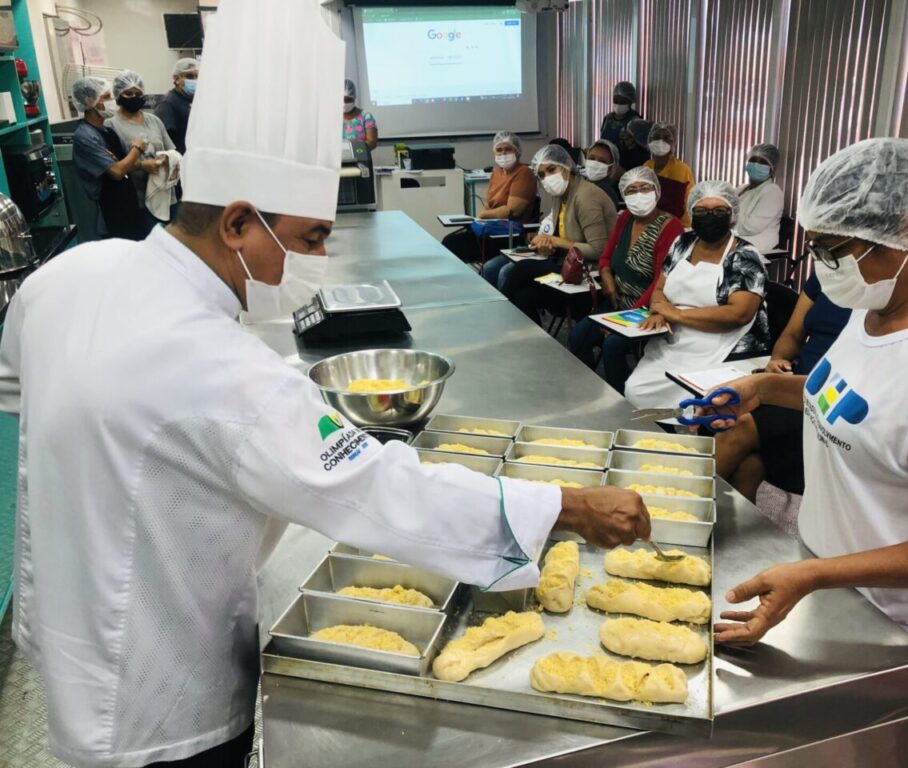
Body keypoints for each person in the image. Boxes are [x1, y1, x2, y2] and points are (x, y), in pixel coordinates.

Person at [0, 1, 650, 766]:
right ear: (238, 222)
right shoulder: (224, 371)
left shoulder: (67, 277)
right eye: (308, 240)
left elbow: (21, 396)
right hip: (167, 700)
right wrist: (566, 505)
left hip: (66, 649)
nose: (313, 263)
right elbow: (378, 491)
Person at [704, 138, 908, 768]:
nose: (822, 265)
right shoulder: (875, 304)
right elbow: (852, 398)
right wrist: (764, 387)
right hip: (852, 598)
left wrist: (813, 575)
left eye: (833, 249)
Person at [624, 181, 769, 408]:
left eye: (719, 211)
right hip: (677, 340)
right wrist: (659, 310)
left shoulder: (745, 256)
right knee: (636, 389)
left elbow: (740, 314)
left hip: (726, 348)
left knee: (700, 403)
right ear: (691, 213)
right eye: (701, 211)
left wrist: (676, 314)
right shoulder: (683, 243)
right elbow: (660, 288)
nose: (710, 216)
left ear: (732, 214)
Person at [713, 267, 851, 501]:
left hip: (831, 405)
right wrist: (778, 359)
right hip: (791, 387)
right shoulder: (825, 273)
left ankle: (669, 507)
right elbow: (792, 334)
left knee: (738, 428)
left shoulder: (882, 298)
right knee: (749, 466)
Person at [569, 166, 683, 393]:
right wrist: (606, 276)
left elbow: (661, 281)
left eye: (645, 188)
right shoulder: (626, 219)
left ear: (657, 191)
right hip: (616, 301)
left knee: (612, 345)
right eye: (631, 190)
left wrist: (623, 319)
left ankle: (620, 398)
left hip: (648, 308)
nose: (639, 194)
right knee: (577, 337)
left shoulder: (670, 227)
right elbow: (605, 257)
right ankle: (589, 389)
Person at [502, 143, 618, 325]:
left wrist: (555, 241)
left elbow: (599, 250)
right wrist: (547, 245)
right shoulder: (561, 195)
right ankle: (534, 341)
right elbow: (563, 240)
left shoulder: (586, 196)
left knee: (520, 270)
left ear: (567, 166)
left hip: (591, 280)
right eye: (541, 175)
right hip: (569, 270)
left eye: (551, 170)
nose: (547, 178)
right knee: (522, 296)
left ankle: (498, 318)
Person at [69, 76, 149, 241]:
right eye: (106, 97)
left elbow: (126, 164)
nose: (112, 101)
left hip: (126, 204)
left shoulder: (107, 131)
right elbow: (118, 172)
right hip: (109, 209)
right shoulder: (85, 136)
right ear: (89, 101)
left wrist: (139, 163)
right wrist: (137, 148)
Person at [447, 131, 537, 273]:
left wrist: (484, 215)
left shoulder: (524, 173)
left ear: (517, 151)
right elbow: (490, 205)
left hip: (509, 234)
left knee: (454, 246)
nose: (503, 153)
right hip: (491, 228)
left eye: (508, 149)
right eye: (499, 150)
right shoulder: (496, 173)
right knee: (449, 241)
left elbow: (512, 210)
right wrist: (484, 216)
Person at [106, 70, 176, 234]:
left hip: (166, 195)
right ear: (118, 95)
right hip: (138, 200)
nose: (134, 97)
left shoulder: (154, 120)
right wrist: (142, 164)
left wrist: (167, 160)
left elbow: (171, 150)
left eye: (138, 94)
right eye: (128, 94)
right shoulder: (111, 125)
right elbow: (113, 167)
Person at [735, 142, 785, 253]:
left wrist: (724, 222)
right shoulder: (741, 189)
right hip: (736, 239)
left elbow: (750, 227)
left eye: (762, 162)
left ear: (772, 168)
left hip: (756, 246)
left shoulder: (773, 192)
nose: (756, 165)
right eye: (753, 160)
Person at [643, 122, 695, 227]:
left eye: (666, 138)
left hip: (678, 226)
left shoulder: (681, 169)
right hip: (650, 225)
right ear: (650, 140)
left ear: (673, 144)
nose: (660, 141)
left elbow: (676, 208)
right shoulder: (647, 166)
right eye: (656, 137)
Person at [153, 57, 199, 155]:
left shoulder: (190, 101)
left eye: (197, 76)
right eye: (189, 76)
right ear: (177, 79)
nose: (195, 80)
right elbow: (163, 139)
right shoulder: (167, 104)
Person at [599, 81, 641, 151]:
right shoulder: (608, 119)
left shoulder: (636, 122)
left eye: (623, 101)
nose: (618, 104)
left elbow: (640, 151)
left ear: (630, 102)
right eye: (616, 101)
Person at [582, 139, 623, 206]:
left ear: (610, 168)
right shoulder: (583, 185)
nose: (595, 164)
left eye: (602, 161)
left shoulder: (605, 194)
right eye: (591, 158)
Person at [343, 78, 378, 150]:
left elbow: (372, 143)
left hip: (361, 156)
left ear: (354, 97)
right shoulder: (332, 118)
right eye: (341, 99)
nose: (344, 103)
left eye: (348, 99)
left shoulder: (366, 117)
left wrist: (352, 150)